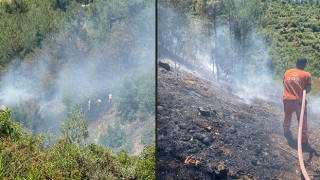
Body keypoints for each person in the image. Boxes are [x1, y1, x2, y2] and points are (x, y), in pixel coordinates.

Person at [283, 57, 312, 145]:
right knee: (302, 120)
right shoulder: (306, 74)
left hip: (287, 99)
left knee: (287, 116)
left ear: (296, 63)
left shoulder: (287, 72)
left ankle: (286, 132)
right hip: (299, 102)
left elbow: (283, 83)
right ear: (305, 64)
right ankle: (303, 140)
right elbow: (308, 88)